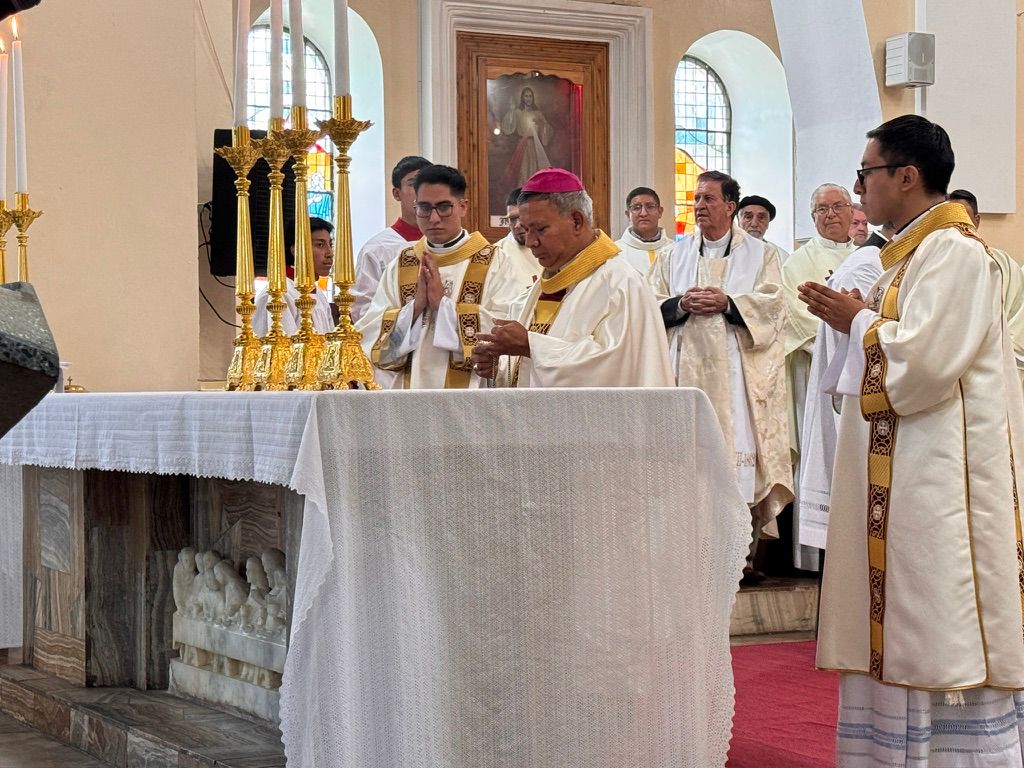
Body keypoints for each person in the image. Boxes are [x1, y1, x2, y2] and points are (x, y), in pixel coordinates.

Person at [800, 114, 1024, 765]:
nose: (858, 187)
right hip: (904, 474)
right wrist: (854, 322)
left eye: (865, 173)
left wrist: (858, 320)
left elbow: (924, 364)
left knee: (934, 619)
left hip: (938, 479)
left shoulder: (954, 253)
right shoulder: (907, 255)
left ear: (906, 175)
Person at [648, 171, 792, 586]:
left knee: (738, 464)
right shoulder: (674, 255)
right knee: (687, 470)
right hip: (683, 377)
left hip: (736, 378)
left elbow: (774, 305)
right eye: (697, 199)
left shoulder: (762, 255)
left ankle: (738, 560)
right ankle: (688, 560)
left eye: (709, 198)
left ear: (731, 206)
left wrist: (730, 303)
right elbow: (649, 302)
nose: (700, 206)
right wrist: (678, 303)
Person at [471, 168, 672, 388]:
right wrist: (498, 369)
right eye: (526, 230)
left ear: (577, 221)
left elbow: (617, 370)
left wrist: (531, 345)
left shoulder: (621, 285)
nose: (530, 242)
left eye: (540, 229)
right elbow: (526, 375)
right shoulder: (539, 290)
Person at [356, 164, 526, 389]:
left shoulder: (496, 263)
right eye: (424, 208)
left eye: (444, 207)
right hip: (407, 397)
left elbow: (507, 330)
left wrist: (442, 306)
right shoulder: (401, 265)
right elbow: (369, 334)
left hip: (471, 397)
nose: (433, 218)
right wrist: (415, 309)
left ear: (463, 207)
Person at [795, 222, 893, 568]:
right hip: (868, 408)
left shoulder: (874, 260)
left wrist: (861, 319)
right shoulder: (868, 265)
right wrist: (862, 318)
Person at [782, 184, 858, 537]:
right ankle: (815, 548)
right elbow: (797, 314)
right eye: (821, 209)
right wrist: (845, 341)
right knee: (822, 452)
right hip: (816, 370)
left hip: (862, 371)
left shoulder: (872, 256)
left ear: (852, 211)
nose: (830, 214)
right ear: (813, 218)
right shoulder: (799, 262)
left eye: (837, 206)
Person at [948, 188, 1024, 383]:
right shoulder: (936, 266)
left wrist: (999, 353)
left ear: (977, 220)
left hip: (1000, 365)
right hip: (952, 368)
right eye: (949, 218)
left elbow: (1018, 316)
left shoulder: (1003, 263)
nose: (957, 226)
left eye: (963, 217)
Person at [351, 155, 432, 324]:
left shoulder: (449, 245)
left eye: (428, 183)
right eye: (413, 184)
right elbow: (363, 312)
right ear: (397, 193)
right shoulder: (376, 249)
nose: (421, 191)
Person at [252, 216, 335, 336]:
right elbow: (283, 348)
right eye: (320, 245)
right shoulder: (279, 293)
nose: (330, 253)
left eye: (330, 245)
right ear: (296, 250)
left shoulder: (320, 296)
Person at [500, 86, 554, 187]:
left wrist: (541, 124)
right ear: (522, 98)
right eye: (526, 96)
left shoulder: (537, 113)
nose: (528, 98)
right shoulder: (518, 112)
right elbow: (509, 127)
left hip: (535, 145)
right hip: (523, 145)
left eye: (530, 96)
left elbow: (547, 129)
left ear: (533, 98)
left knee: (535, 169)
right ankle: (523, 192)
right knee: (523, 171)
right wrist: (511, 111)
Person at [613, 186, 675, 273]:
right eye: (636, 207)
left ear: (660, 212)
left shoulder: (675, 250)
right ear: (628, 215)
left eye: (650, 206)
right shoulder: (615, 253)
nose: (643, 213)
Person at [494, 186, 541, 288]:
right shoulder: (497, 254)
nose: (517, 225)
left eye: (521, 217)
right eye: (512, 219)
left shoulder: (551, 246)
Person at [737, 194, 790, 264]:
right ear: (738, 221)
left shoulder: (781, 257)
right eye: (748, 217)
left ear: (768, 223)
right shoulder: (724, 253)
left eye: (761, 218)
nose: (754, 224)